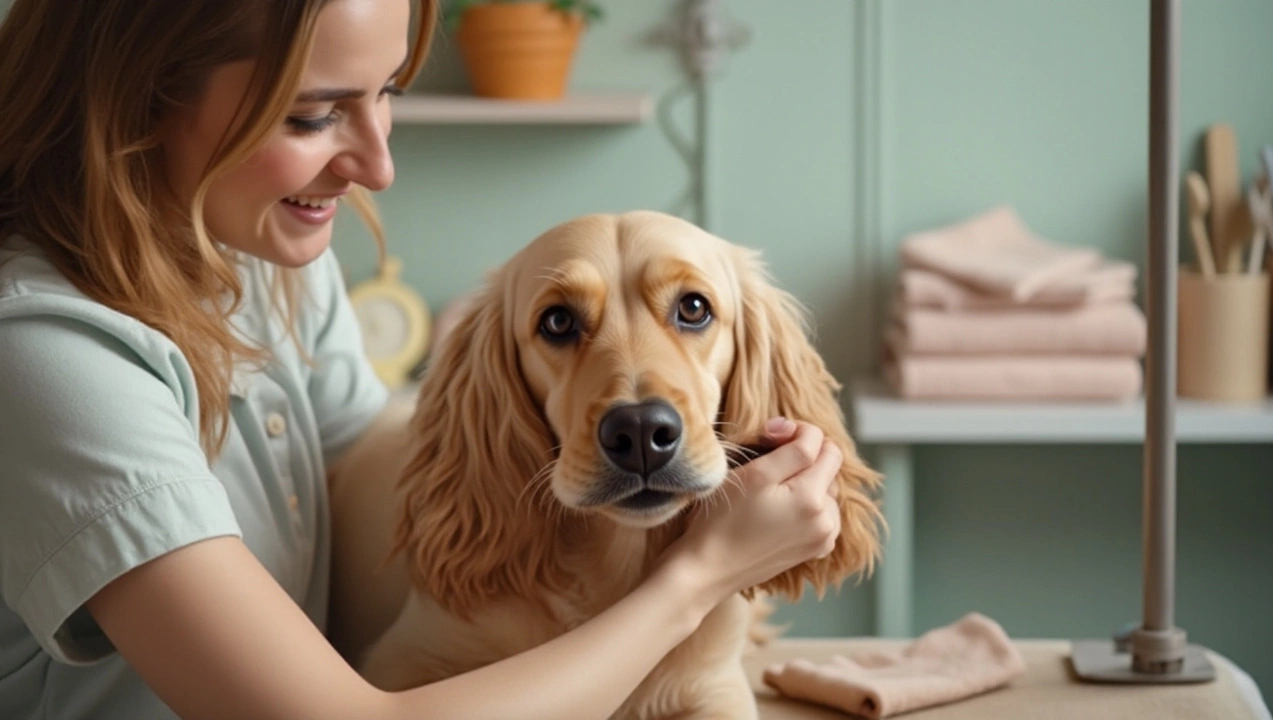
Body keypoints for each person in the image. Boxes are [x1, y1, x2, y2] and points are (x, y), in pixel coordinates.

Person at [0, 1, 846, 718]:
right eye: (312, 115)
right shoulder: (48, 363)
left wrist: (500, 428)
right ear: (135, 101)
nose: (378, 166)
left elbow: (365, 461)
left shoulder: (256, 258)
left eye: (387, 93)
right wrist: (697, 580)